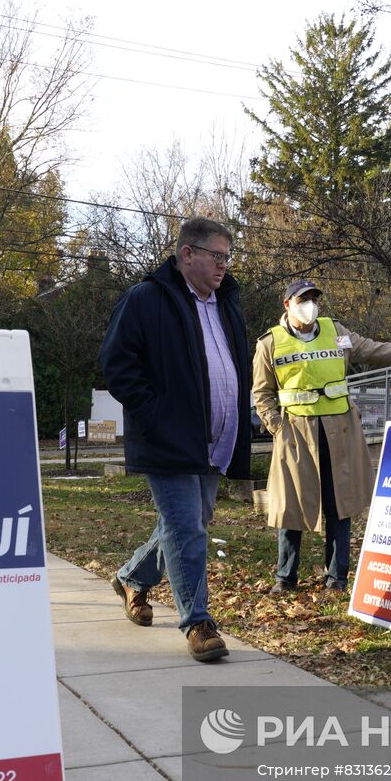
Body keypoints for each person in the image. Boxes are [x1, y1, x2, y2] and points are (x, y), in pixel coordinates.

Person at [99, 217, 251, 662]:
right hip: (168, 440)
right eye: (216, 256)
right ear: (188, 254)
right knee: (186, 529)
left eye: (227, 257)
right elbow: (116, 364)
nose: (224, 266)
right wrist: (155, 416)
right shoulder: (147, 299)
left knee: (188, 526)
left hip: (214, 441)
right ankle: (199, 623)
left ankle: (131, 577)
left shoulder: (226, 304)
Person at [252, 280, 391, 594]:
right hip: (296, 435)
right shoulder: (270, 343)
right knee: (292, 506)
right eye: (303, 299)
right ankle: (285, 578)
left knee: (340, 504)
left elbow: (371, 349)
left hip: (339, 431)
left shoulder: (334, 331)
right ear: (287, 304)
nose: (310, 304)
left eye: (314, 298)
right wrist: (277, 427)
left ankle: (337, 577)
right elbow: (262, 393)